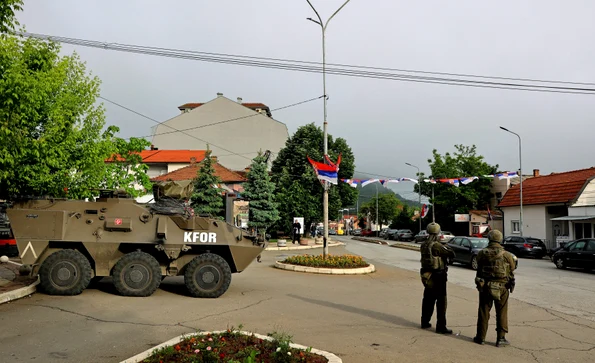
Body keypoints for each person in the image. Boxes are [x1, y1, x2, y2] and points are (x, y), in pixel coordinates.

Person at [473, 229, 517, 347]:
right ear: (500, 239)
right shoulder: (507, 255)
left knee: (483, 312)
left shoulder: (482, 253)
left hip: (486, 286)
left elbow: (478, 264)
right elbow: (512, 268)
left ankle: (480, 337)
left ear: (489, 239)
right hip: (502, 287)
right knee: (502, 312)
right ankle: (501, 338)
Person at [419, 222, 456, 334]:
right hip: (438, 275)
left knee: (428, 299)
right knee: (441, 301)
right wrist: (447, 247)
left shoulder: (424, 244)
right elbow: (451, 253)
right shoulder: (436, 245)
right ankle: (441, 326)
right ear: (438, 233)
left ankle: (425, 321)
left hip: (426, 275)